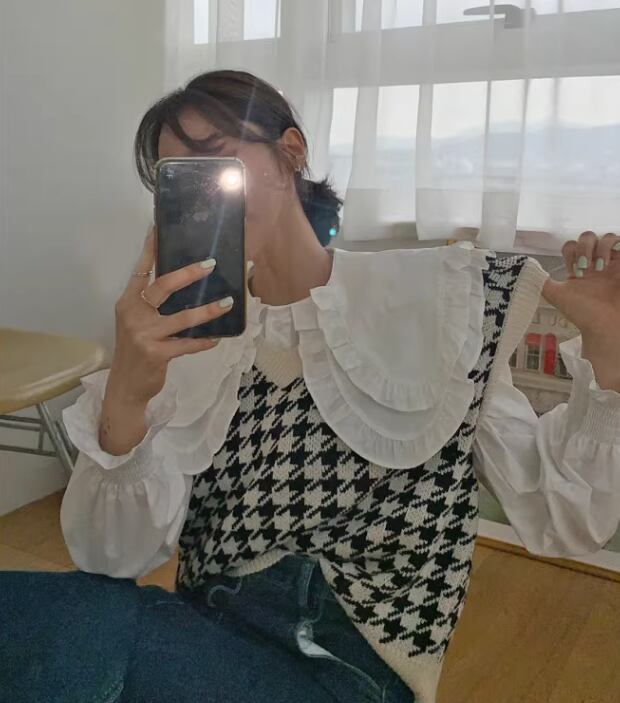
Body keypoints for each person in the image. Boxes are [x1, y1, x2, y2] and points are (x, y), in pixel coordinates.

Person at [2, 70, 620, 703]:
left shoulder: (429, 310)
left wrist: (610, 351)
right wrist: (128, 395)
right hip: (199, 638)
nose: (203, 196)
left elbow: (565, 520)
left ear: (290, 152)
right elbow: (111, 562)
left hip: (348, 674)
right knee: (68, 620)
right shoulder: (190, 346)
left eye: (217, 160)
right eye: (177, 180)